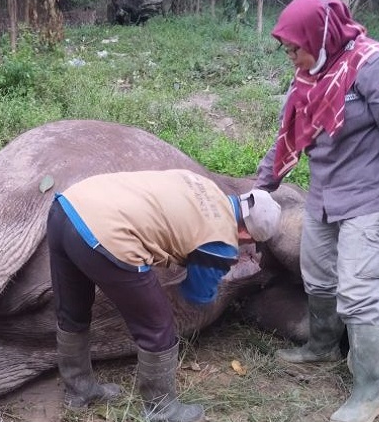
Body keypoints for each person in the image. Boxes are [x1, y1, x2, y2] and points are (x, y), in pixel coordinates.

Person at [254, 0, 379, 422]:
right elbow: (287, 140)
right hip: (326, 198)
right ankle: (321, 345)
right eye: (287, 49)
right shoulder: (308, 78)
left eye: (296, 47)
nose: (291, 56)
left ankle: (370, 393)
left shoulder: (373, 65)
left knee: (359, 294)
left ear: (320, 35)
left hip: (372, 200)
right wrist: (260, 187)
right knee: (318, 276)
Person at [47, 169, 281, 422]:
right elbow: (197, 295)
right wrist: (212, 278)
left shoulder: (206, 186)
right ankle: (163, 411)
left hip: (67, 209)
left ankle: (79, 391)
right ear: (247, 234)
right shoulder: (221, 241)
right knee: (158, 327)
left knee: (73, 311)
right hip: (107, 236)